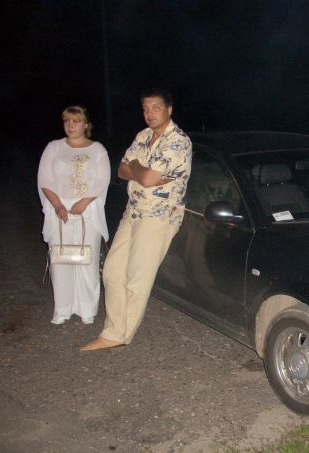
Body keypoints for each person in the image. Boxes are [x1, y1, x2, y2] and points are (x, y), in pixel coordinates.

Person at [81, 88, 192, 351]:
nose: (149, 113)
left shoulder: (178, 141)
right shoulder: (142, 136)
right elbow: (121, 170)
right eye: (145, 108)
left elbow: (148, 179)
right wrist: (138, 170)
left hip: (159, 216)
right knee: (111, 271)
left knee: (137, 277)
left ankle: (120, 333)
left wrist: (136, 167)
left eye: (155, 107)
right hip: (133, 211)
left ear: (169, 110)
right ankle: (114, 331)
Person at [38, 105, 110, 325]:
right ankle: (62, 309)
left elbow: (102, 180)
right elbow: (45, 180)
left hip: (88, 210)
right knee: (61, 260)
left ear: (86, 124)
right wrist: (58, 205)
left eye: (76, 121)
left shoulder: (97, 149)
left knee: (87, 259)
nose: (70, 125)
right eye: (67, 121)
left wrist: (85, 201)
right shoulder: (54, 147)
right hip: (60, 211)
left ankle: (87, 308)